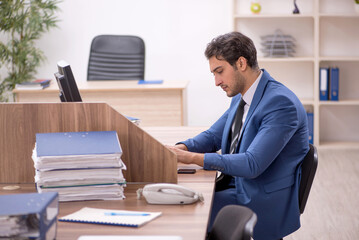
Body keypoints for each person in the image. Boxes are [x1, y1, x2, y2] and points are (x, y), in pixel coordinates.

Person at [168, 32, 309, 240]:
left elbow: (252, 164)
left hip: (260, 199)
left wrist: (194, 159)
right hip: (236, 186)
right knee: (179, 197)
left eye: (220, 71)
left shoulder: (280, 103)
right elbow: (213, 136)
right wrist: (181, 148)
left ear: (241, 63)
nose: (216, 82)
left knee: (182, 211)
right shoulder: (243, 95)